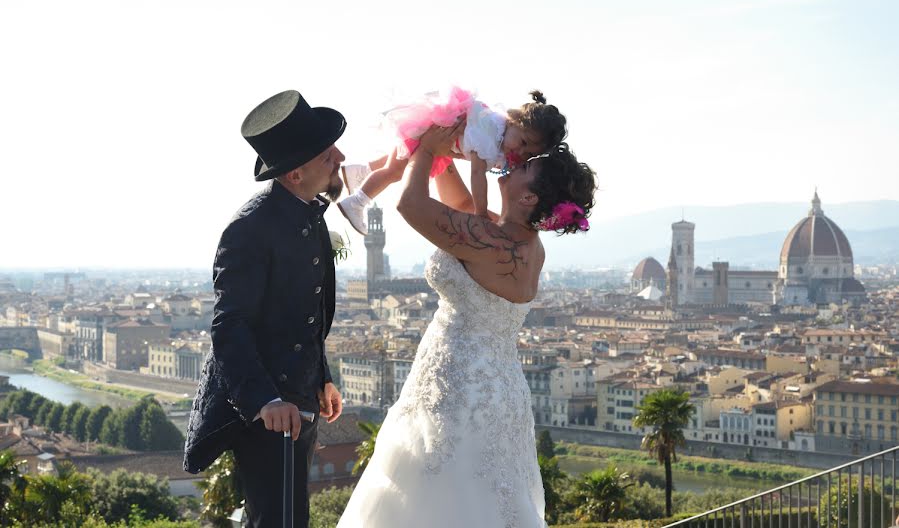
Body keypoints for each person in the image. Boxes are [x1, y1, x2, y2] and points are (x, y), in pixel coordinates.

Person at [336, 122, 596, 528]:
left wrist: (424, 151)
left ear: (529, 196)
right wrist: (450, 145)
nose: (514, 164)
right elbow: (457, 199)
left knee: (439, 497)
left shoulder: (490, 240)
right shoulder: (522, 243)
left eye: (525, 167)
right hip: (498, 389)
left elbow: (411, 206)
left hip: (459, 390)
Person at [183, 90, 345, 528]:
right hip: (268, 411)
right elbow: (229, 325)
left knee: (291, 519)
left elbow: (305, 313)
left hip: (301, 400)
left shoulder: (311, 214)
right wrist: (266, 400)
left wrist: (322, 377)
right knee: (276, 521)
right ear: (296, 172)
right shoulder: (249, 229)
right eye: (328, 155)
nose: (340, 158)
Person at [336, 88, 568, 234]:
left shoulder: (499, 132)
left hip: (436, 128)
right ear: (516, 121)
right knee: (394, 172)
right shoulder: (490, 139)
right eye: (523, 141)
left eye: (528, 154)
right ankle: (356, 202)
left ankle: (358, 172)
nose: (520, 150)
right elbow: (477, 176)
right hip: (432, 129)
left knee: (399, 164)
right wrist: (481, 212)